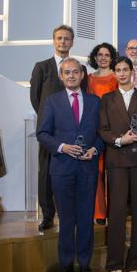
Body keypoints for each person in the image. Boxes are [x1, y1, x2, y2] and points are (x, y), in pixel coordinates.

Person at [36, 57, 104, 272]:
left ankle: (84, 263)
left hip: (87, 168)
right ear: (61, 76)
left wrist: (94, 149)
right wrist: (62, 147)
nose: (72, 76)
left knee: (85, 218)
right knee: (66, 218)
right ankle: (65, 263)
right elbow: (42, 134)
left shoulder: (95, 102)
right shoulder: (52, 101)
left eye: (75, 72)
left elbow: (102, 134)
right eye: (67, 73)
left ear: (82, 75)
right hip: (62, 169)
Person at [98, 57, 137, 272]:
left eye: (125, 70)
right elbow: (102, 129)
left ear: (132, 72)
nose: (121, 73)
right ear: (114, 73)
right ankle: (114, 262)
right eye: (118, 70)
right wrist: (121, 140)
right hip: (117, 160)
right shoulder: (106, 99)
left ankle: (136, 261)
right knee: (117, 212)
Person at [30, 24, 87, 231]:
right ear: (54, 41)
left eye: (67, 38)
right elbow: (35, 98)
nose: (63, 42)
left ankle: (73, 214)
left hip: (74, 129)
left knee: (75, 171)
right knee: (45, 173)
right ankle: (47, 214)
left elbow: (84, 98)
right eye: (59, 38)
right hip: (50, 132)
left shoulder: (80, 68)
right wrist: (49, 120)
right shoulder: (42, 67)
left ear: (72, 42)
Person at [86, 43, 118, 225]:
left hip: (113, 130)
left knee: (114, 174)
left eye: (107, 54)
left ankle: (115, 211)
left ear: (112, 57)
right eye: (100, 54)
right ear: (95, 57)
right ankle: (99, 213)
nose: (103, 57)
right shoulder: (88, 79)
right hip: (94, 132)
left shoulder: (117, 77)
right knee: (96, 173)